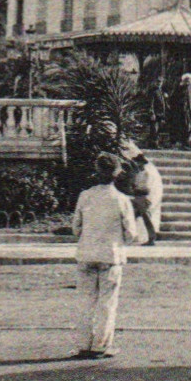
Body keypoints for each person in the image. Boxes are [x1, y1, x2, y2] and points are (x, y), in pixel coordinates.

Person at [70, 153, 139, 359]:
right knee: (107, 302)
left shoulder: (85, 196)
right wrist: (119, 241)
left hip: (86, 253)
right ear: (117, 173)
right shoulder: (121, 200)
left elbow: (76, 229)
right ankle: (101, 345)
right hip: (110, 255)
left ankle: (83, 343)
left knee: (85, 301)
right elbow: (131, 233)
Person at [120, 139, 163, 246]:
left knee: (143, 218)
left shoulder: (147, 172)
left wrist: (134, 191)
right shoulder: (142, 171)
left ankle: (150, 238)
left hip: (146, 198)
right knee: (140, 217)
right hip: (141, 198)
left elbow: (147, 188)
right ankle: (146, 237)